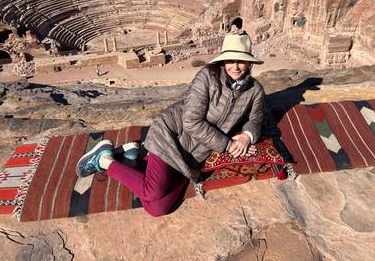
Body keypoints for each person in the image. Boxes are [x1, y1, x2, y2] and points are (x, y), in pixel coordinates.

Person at [76, 29, 265, 216]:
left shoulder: (255, 90)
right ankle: (104, 159)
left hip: (194, 156)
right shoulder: (207, 76)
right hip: (170, 135)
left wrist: (247, 136)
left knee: (157, 208)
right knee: (152, 191)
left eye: (241, 60)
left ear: (249, 62)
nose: (236, 66)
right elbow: (191, 121)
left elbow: (255, 119)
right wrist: (228, 144)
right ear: (224, 60)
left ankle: (131, 159)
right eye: (231, 60)